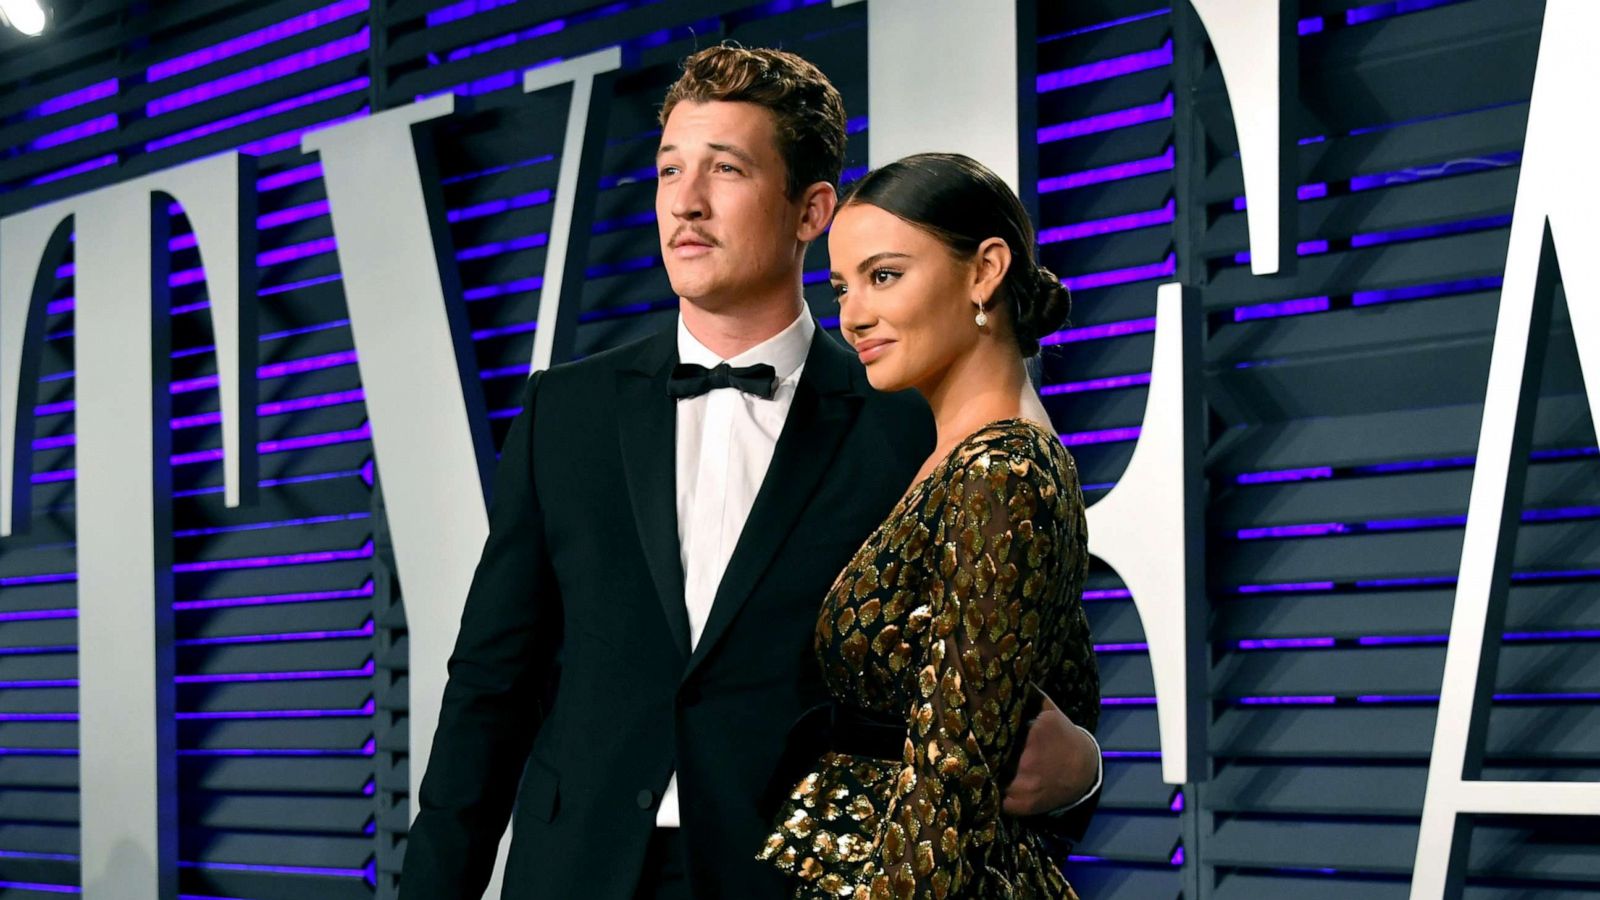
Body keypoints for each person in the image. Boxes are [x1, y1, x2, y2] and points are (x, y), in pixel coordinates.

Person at [399, 45, 1100, 900]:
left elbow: (1027, 683)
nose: (685, 204)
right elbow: (488, 686)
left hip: (801, 880)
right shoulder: (565, 412)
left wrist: (1084, 772)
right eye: (668, 171)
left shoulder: (915, 425)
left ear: (812, 210)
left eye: (725, 169)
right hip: (574, 869)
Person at [756, 152, 1100, 899]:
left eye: (884, 276)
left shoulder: (1000, 476)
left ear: (986, 272)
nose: (852, 315)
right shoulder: (958, 460)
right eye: (842, 288)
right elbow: (1065, 688)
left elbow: (951, 791)